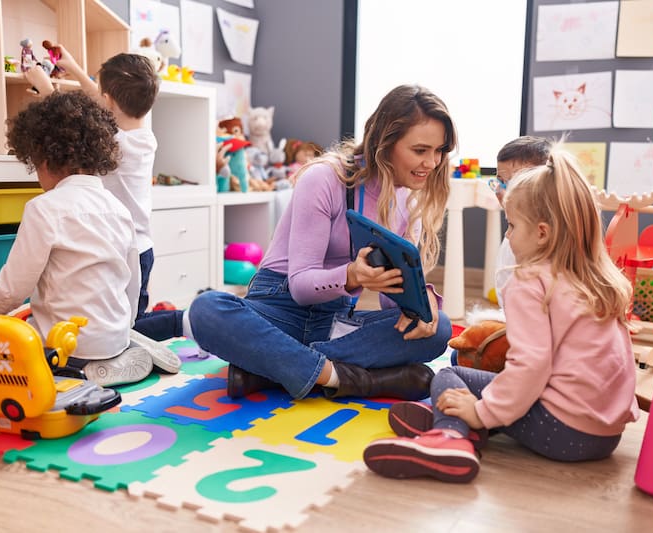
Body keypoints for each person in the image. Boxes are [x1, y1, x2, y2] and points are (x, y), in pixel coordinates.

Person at [138, 84, 457, 401]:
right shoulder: (325, 178)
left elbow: (391, 303)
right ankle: (347, 380)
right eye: (420, 150)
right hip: (277, 308)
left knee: (439, 329)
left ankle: (272, 367)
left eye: (439, 151)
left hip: (333, 324)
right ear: (384, 143)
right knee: (207, 309)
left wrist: (418, 304)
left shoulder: (406, 202)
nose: (432, 162)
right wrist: (352, 276)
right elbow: (302, 287)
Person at [363, 147, 640, 483]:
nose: (508, 234)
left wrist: (482, 412)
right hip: (606, 435)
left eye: (512, 225)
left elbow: (532, 364)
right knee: (472, 384)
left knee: (450, 377)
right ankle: (456, 421)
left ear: (542, 233)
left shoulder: (530, 280)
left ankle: (449, 437)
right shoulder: (598, 278)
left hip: (563, 432)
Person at [26, 47, 180, 374]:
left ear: (109, 100)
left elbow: (77, 127)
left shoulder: (116, 144)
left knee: (126, 325)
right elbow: (101, 105)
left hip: (125, 246)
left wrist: (47, 89)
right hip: (138, 245)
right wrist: (78, 71)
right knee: (120, 318)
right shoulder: (143, 138)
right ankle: (135, 344)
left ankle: (178, 323)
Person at [0, 90, 151, 387]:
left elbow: (13, 288)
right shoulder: (119, 209)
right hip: (115, 339)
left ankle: (75, 371)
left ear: (44, 161)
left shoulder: (43, 208)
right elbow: (132, 283)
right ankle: (117, 356)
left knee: (13, 335)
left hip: (65, 347)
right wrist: (125, 327)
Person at [492, 136, 553, 309]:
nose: (499, 190)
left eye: (512, 183)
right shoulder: (515, 233)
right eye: (500, 181)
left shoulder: (537, 241)